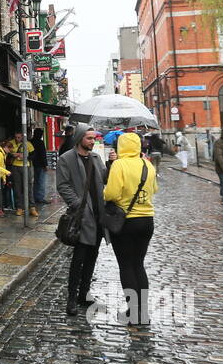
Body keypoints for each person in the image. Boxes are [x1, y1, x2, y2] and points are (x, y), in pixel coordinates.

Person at [103, 132, 159, 326]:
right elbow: (155, 189)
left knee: (126, 266)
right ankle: (143, 313)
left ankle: (133, 313)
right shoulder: (147, 164)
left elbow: (111, 193)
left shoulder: (119, 164)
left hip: (126, 221)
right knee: (139, 265)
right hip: (147, 220)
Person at [55, 123, 107, 316]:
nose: (93, 141)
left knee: (93, 256)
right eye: (89, 138)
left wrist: (111, 164)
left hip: (98, 216)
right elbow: (62, 185)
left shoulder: (96, 157)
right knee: (79, 258)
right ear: (79, 138)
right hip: (82, 216)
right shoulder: (66, 159)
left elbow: (105, 179)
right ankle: (71, 298)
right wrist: (78, 204)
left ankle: (84, 294)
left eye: (94, 138)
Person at [8, 130, 36, 217]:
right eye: (16, 137)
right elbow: (6, 153)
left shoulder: (28, 144)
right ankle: (19, 208)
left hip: (26, 166)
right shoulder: (11, 143)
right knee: (17, 187)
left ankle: (32, 207)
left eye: (19, 137)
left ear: (23, 137)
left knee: (28, 186)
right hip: (15, 167)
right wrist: (14, 155)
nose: (17, 139)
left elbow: (34, 155)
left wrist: (25, 156)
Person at [30, 127, 50, 207]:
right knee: (41, 181)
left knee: (36, 181)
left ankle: (35, 196)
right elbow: (43, 154)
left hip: (33, 164)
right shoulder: (40, 142)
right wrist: (45, 165)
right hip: (40, 164)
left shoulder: (31, 141)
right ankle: (40, 197)